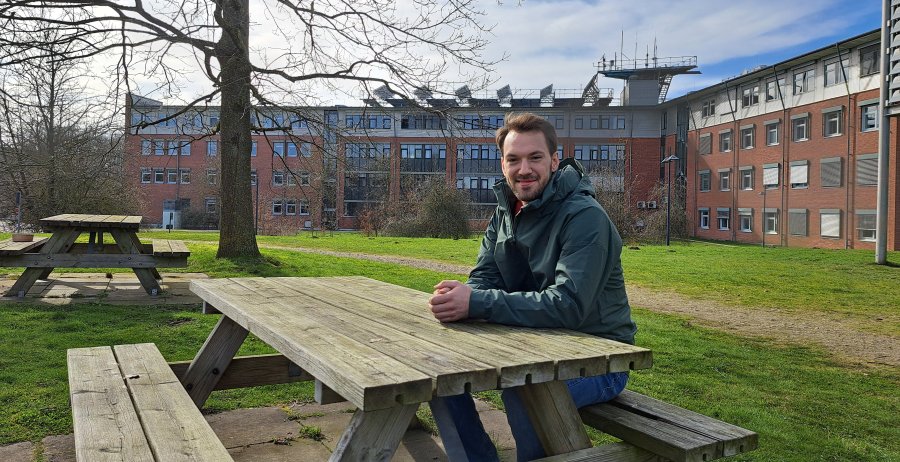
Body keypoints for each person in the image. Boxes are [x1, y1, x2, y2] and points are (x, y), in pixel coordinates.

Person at [427, 112, 637, 461]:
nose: (524, 168)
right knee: (438, 373)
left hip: (600, 358)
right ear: (502, 164)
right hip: (537, 346)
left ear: (554, 161)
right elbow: (485, 278)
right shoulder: (505, 212)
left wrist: (477, 302)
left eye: (535, 157)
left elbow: (567, 305)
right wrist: (461, 297)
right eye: (514, 159)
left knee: (523, 391)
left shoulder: (585, 217)